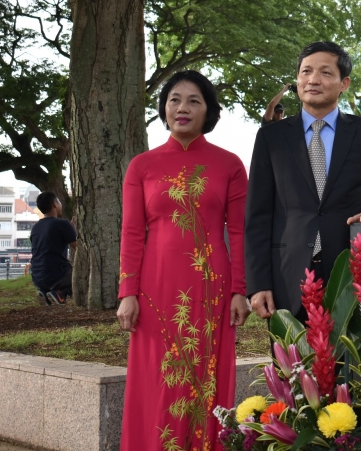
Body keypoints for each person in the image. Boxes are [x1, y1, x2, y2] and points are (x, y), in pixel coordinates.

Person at [116, 70, 251, 451]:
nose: (183, 108)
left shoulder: (230, 165)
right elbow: (131, 232)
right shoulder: (141, 166)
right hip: (155, 290)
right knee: (158, 381)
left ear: (208, 110)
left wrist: (240, 289)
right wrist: (128, 292)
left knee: (206, 379)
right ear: (164, 108)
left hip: (212, 289)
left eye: (194, 100)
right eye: (174, 99)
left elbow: (239, 233)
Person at [245, 41, 361, 321]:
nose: (313, 80)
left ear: (343, 83)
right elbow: (257, 216)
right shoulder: (271, 138)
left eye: (325, 73)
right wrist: (258, 284)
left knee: (350, 363)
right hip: (287, 275)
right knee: (293, 364)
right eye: (306, 72)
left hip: (349, 273)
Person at [29, 192, 77, 305]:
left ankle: (44, 291)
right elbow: (79, 248)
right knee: (80, 274)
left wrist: (69, 230)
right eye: (59, 202)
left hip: (36, 276)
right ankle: (60, 293)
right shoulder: (63, 224)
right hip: (57, 275)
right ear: (55, 204)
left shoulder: (36, 227)